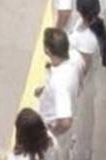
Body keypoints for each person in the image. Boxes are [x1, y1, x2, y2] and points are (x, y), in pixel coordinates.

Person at [70, 0, 106, 160]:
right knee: (83, 120)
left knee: (83, 122)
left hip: (83, 88)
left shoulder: (87, 41)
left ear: (79, 11)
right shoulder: (97, 21)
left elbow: (82, 70)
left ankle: (82, 155)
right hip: (88, 84)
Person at [37, 28, 82, 158]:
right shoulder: (75, 57)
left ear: (48, 51)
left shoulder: (59, 83)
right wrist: (45, 90)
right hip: (69, 114)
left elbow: (65, 122)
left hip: (52, 131)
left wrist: (49, 134)